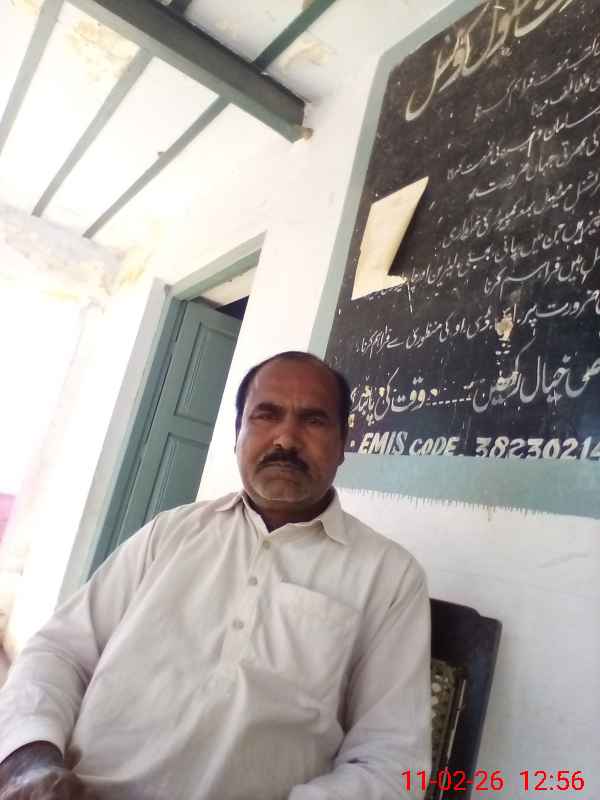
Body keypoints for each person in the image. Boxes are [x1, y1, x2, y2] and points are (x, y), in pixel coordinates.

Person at [0, 351, 431, 800]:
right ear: (238, 434)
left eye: (314, 420)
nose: (287, 438)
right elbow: (61, 651)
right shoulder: (170, 533)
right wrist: (30, 760)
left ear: (344, 443)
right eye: (266, 415)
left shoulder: (390, 576)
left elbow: (391, 761)